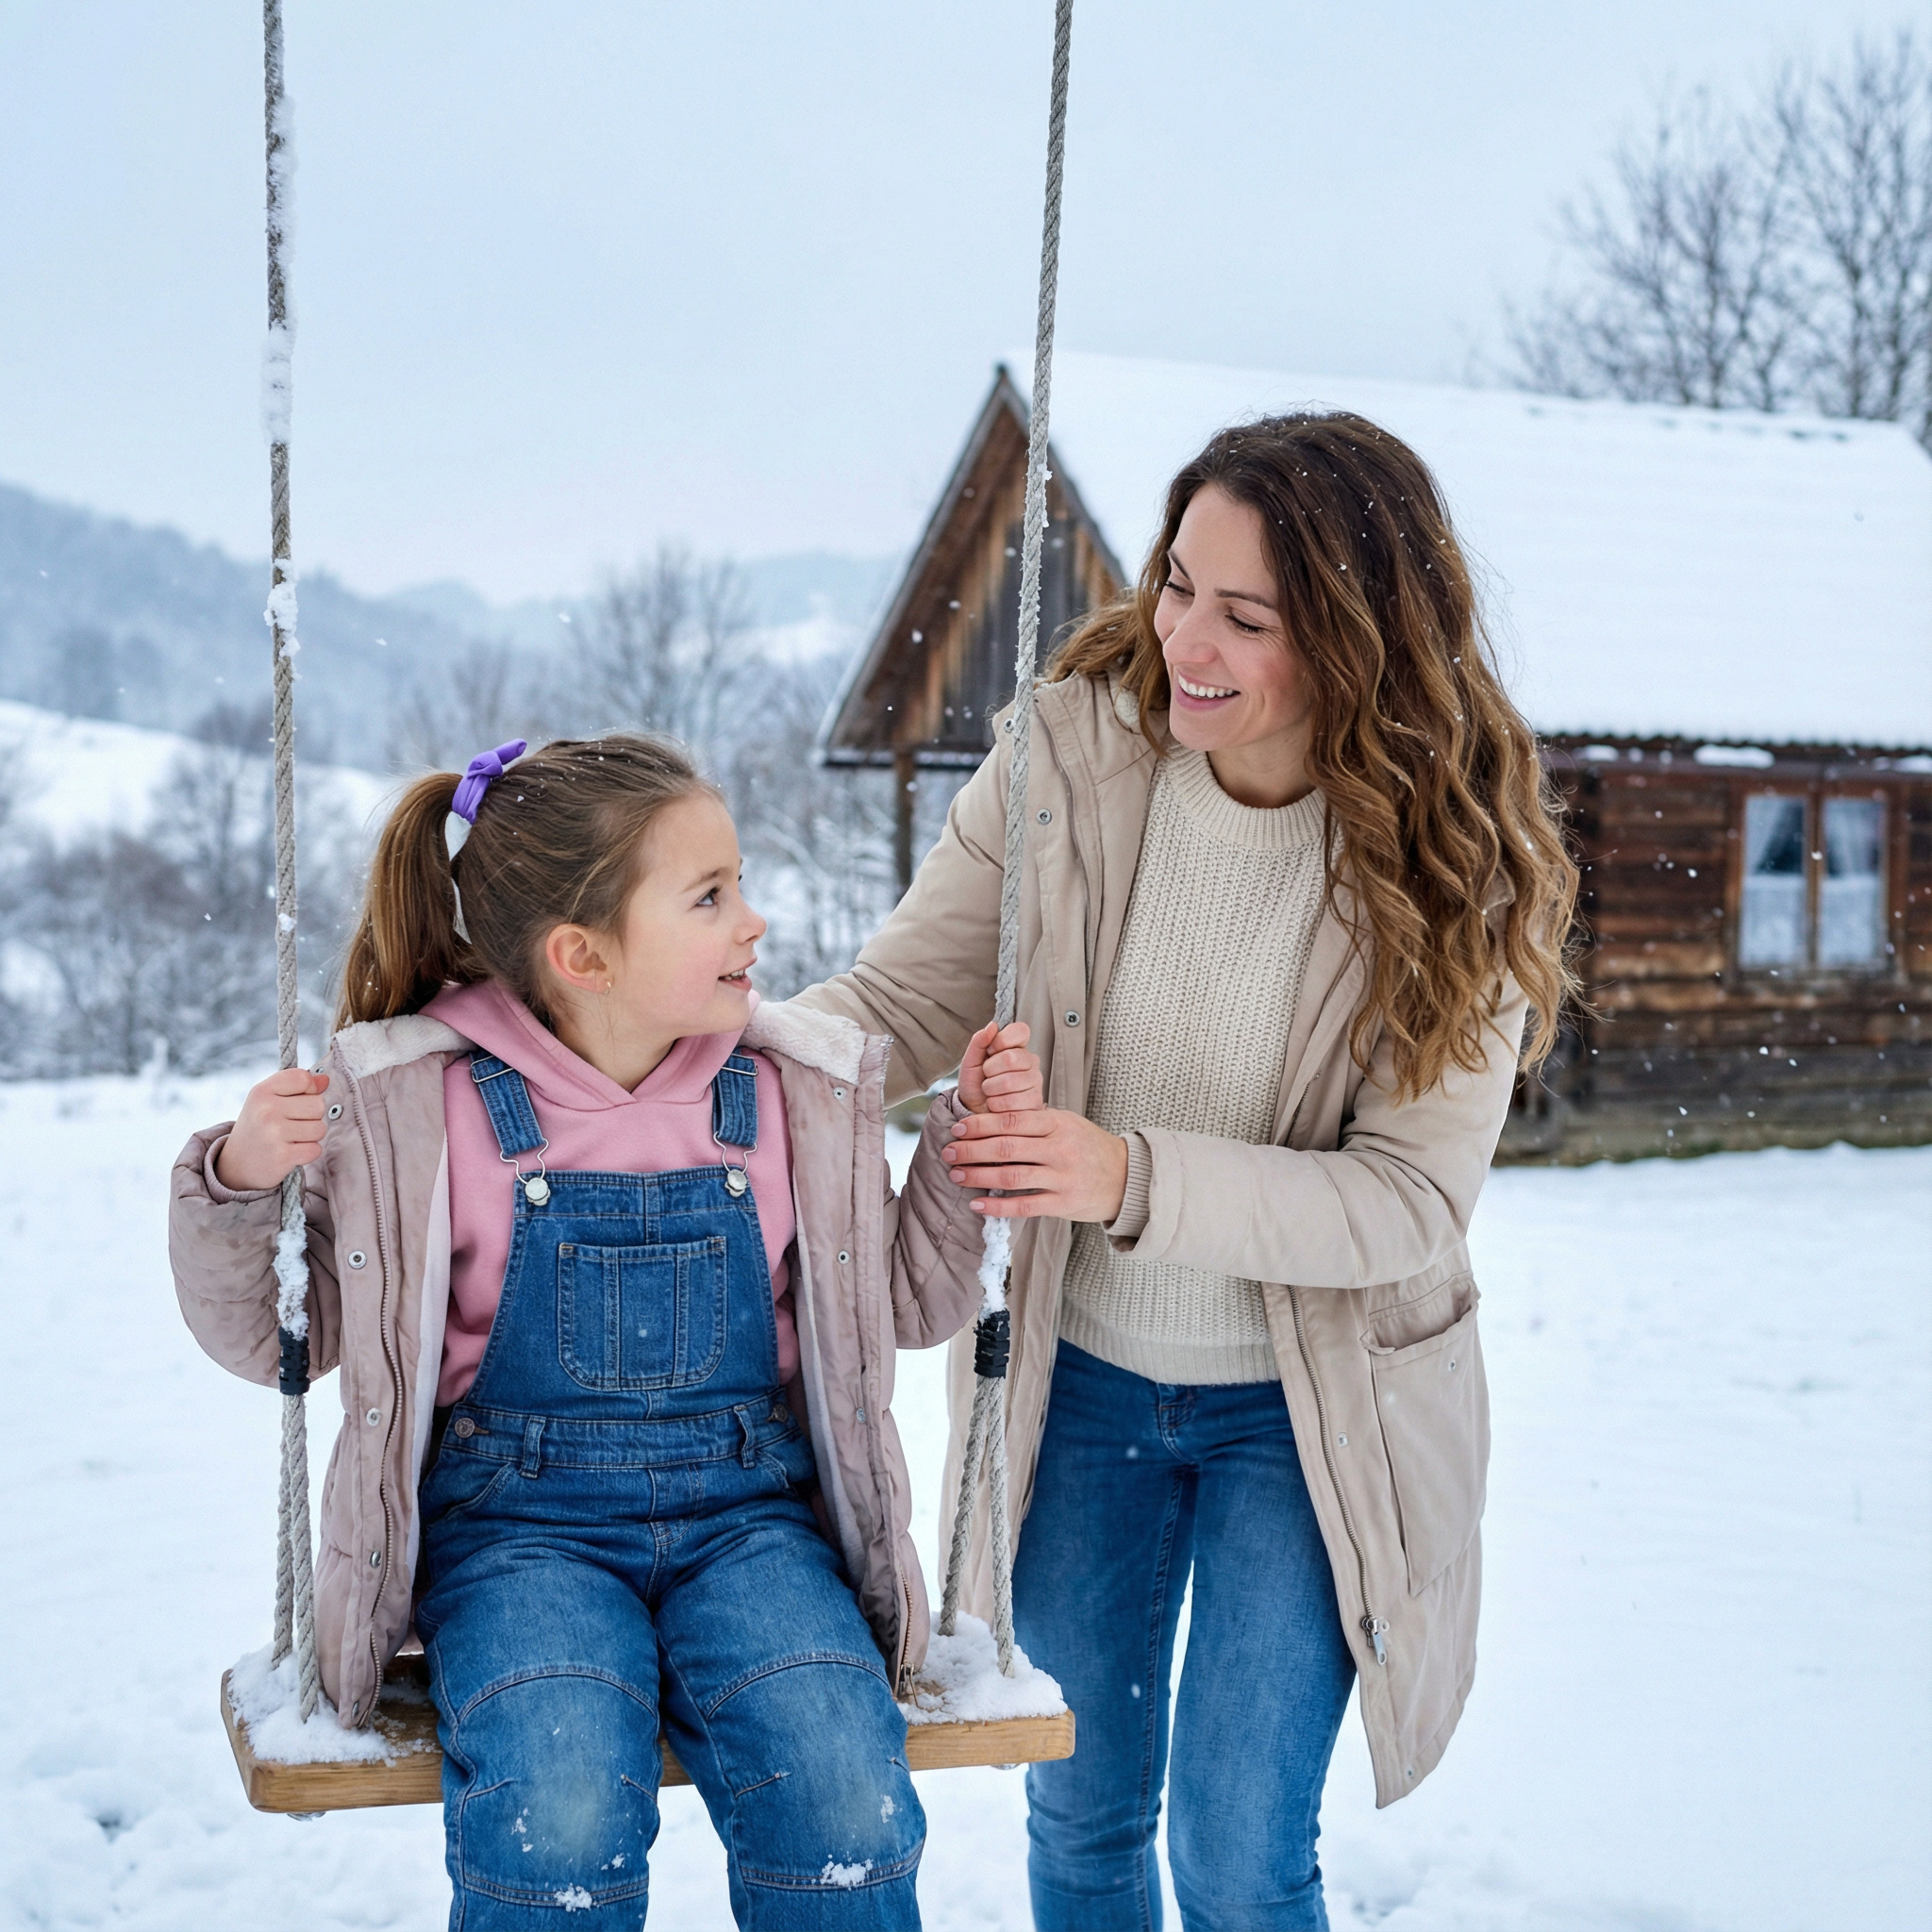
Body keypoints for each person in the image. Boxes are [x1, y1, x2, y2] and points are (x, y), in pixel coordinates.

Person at [796, 414, 1581, 1931]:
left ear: (1357, 639)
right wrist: (666, 1062)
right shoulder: (1071, 757)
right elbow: (894, 1009)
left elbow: (1404, 1203)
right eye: (1176, 585)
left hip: (1309, 1411)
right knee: (1083, 1813)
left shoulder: (1451, 864)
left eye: (1247, 615)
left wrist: (1126, 1174)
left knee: (1235, 1854)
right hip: (1077, 1384)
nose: (1184, 642)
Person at [169, 732, 1041, 1930]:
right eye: (710, 895)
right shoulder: (425, 1109)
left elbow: (898, 1298)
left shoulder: (789, 1089)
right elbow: (282, 1332)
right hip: (517, 1532)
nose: (756, 921)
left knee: (843, 1787)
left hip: (749, 1517)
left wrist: (956, 1153)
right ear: (581, 955)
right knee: (560, 1798)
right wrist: (235, 1179)